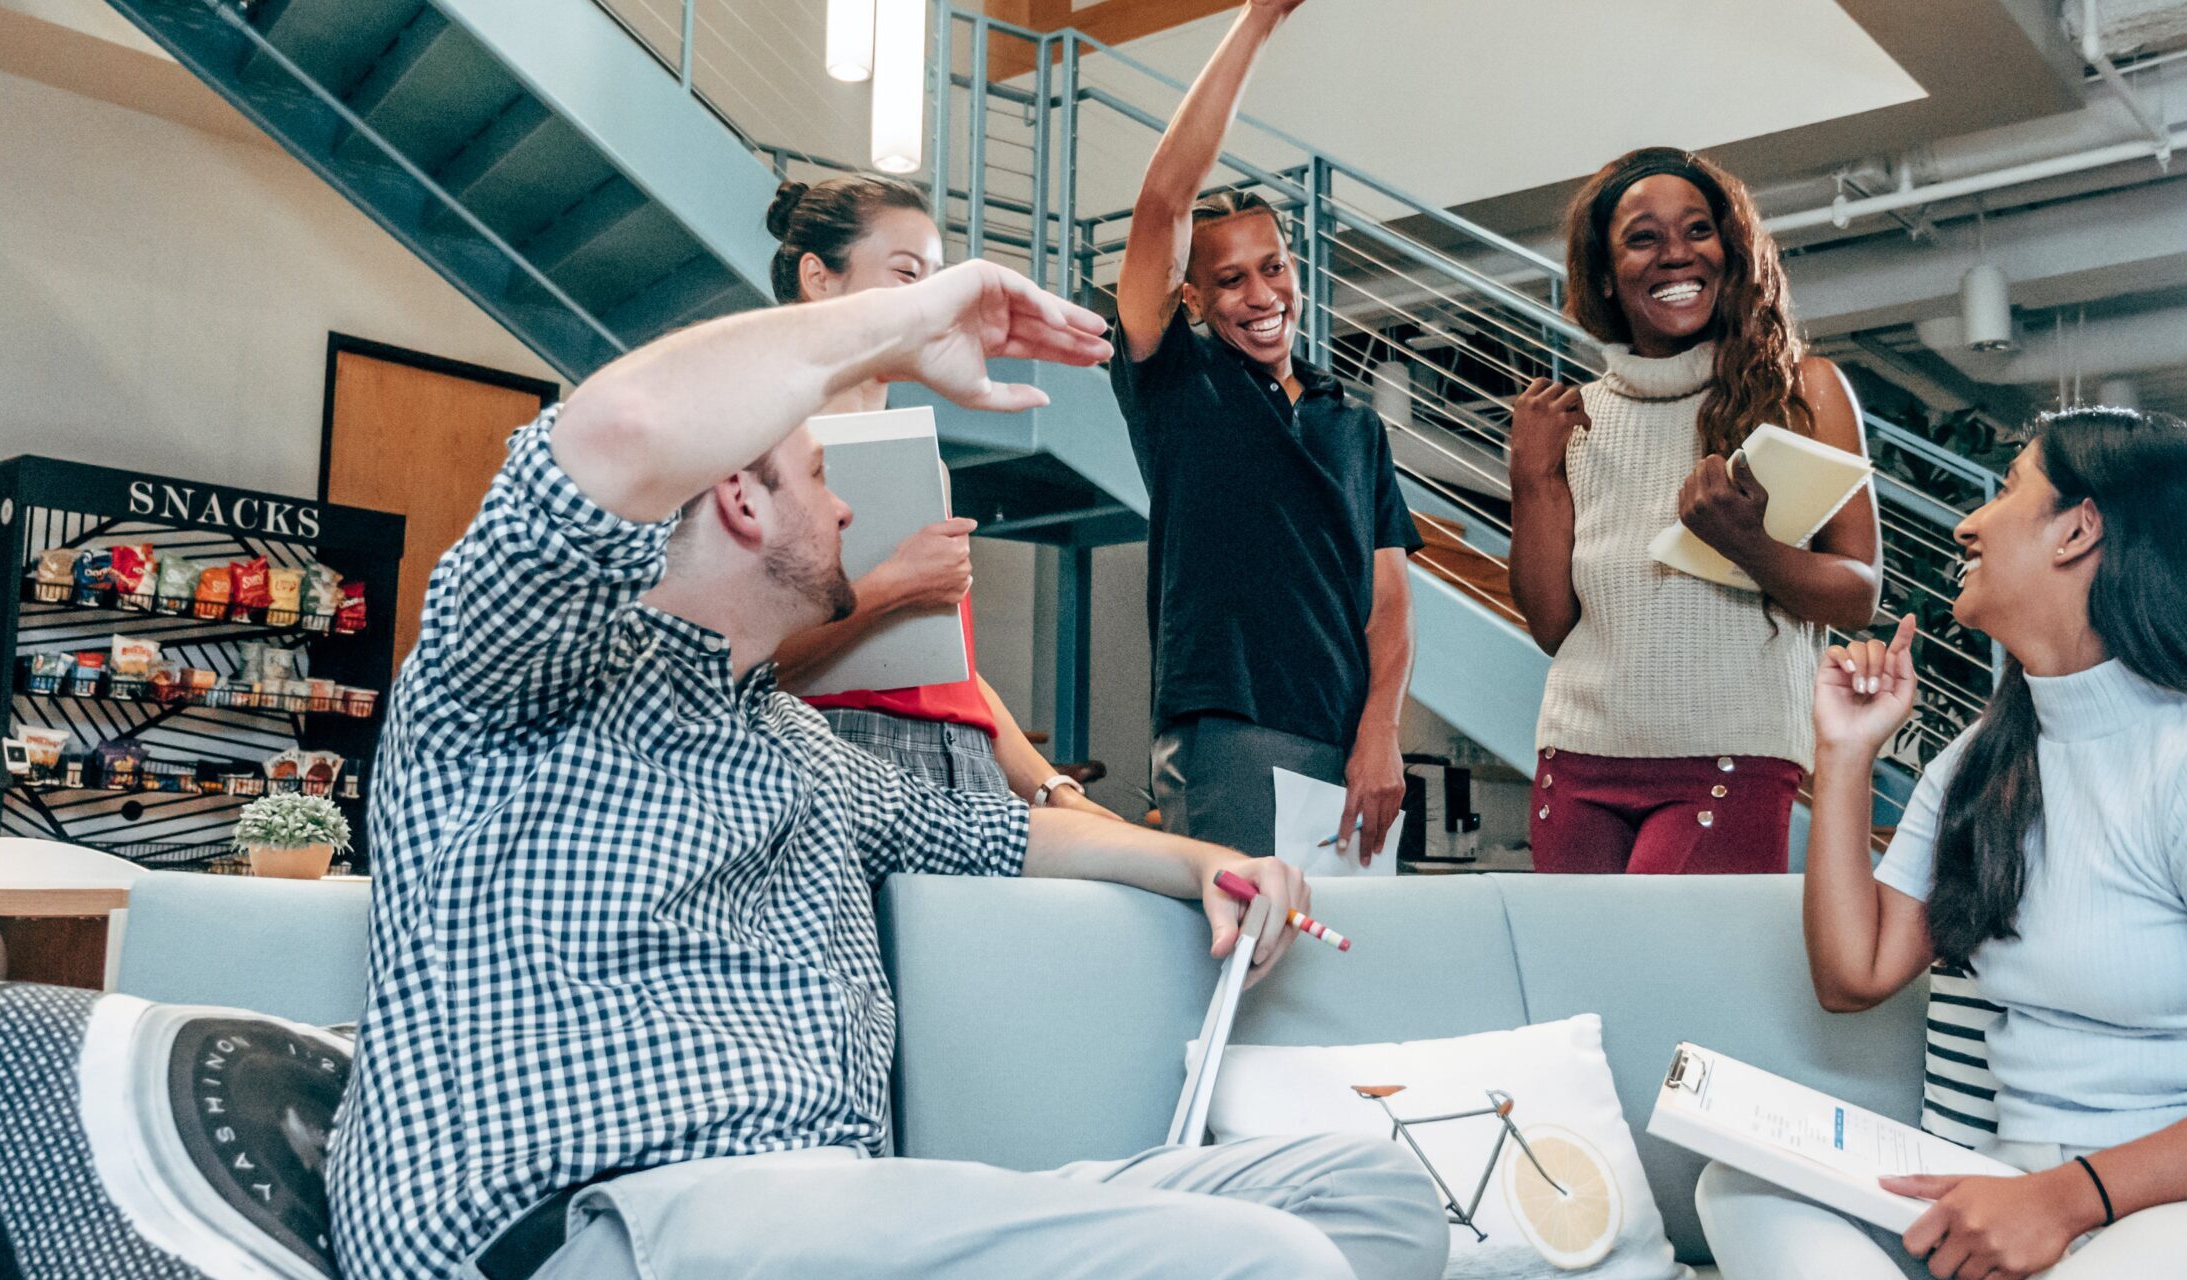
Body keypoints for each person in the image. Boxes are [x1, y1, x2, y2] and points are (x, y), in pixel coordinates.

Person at [325, 257, 1449, 1280]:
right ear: (739, 496)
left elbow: (1009, 831)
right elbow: (620, 424)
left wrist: (1204, 857)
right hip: (610, 1218)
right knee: (1258, 1260)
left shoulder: (794, 743)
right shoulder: (517, 685)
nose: (849, 507)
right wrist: (903, 320)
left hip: (835, 1210)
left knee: (1368, 1198)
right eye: (820, 476)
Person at [1695, 407, 2187, 1280]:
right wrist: (1845, 752)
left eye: (2008, 490)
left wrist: (2064, 1198)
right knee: (1741, 1188)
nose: (1967, 522)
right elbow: (1853, 974)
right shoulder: (1985, 760)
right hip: (2041, 1188)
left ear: (2079, 530)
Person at [1510, 147, 1880, 876]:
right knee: (1578, 990)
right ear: (1606, 276)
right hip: (1577, 756)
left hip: (1729, 755)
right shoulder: (1573, 418)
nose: (1675, 255)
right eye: (1643, 238)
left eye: (1698, 230)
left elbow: (1859, 591)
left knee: (1678, 987)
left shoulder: (1805, 391)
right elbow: (1555, 626)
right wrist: (1532, 482)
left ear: (1732, 249)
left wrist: (1751, 546)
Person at [1112, 0, 1424, 864]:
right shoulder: (1177, 381)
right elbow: (1163, 199)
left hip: (1354, 747)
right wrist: (1256, 22)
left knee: (1341, 984)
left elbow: (1389, 601)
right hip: (1232, 731)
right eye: (1232, 280)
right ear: (1195, 300)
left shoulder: (1354, 424)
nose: (1261, 296)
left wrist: (1381, 733)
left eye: (1274, 267)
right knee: (1243, 976)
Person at [760, 175, 1120, 819]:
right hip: (840, 755)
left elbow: (950, 669)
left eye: (937, 282)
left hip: (967, 760)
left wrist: (1053, 790)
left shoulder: (923, 461)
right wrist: (895, 584)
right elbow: (741, 662)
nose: (932, 305)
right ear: (819, 278)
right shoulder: (763, 449)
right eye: (907, 275)